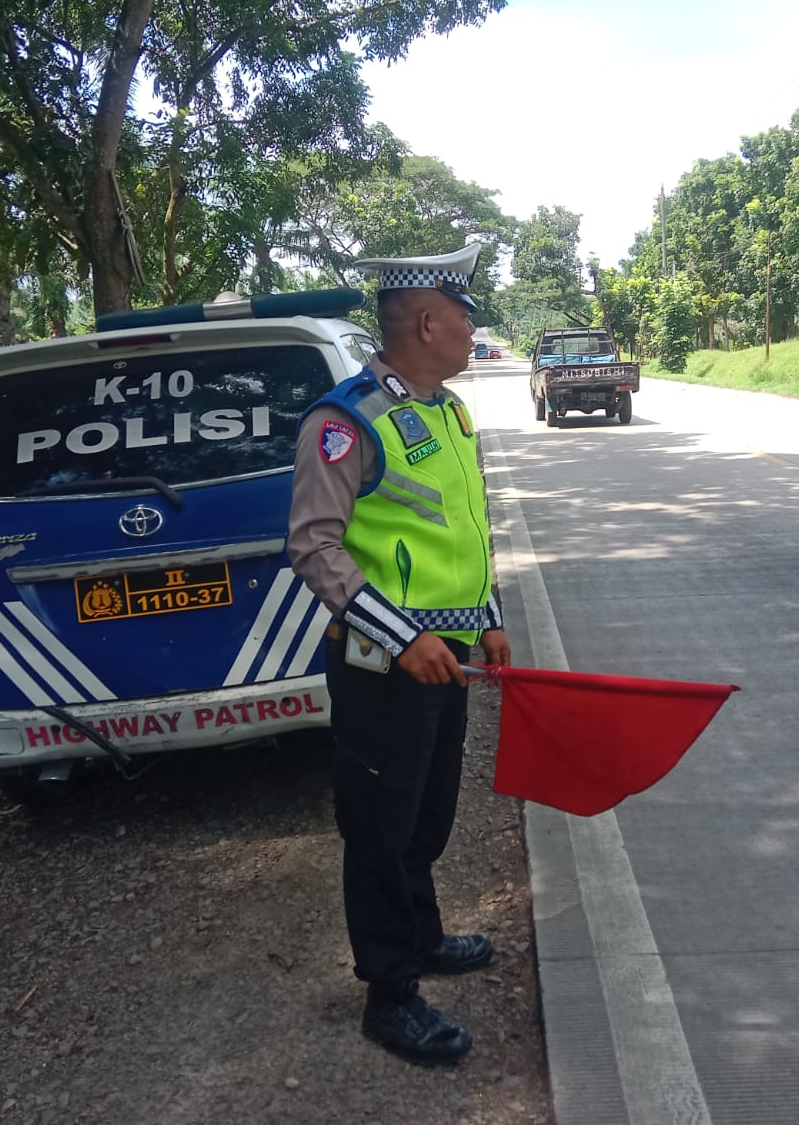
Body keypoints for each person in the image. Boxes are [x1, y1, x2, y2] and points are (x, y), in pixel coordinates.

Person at [287, 242, 513, 1065]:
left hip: (447, 657)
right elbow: (315, 547)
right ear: (427, 321)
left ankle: (421, 936)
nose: (470, 331)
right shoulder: (347, 420)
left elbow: (460, 530)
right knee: (378, 829)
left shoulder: (448, 411)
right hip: (385, 668)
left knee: (426, 814)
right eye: (463, 318)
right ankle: (389, 993)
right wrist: (404, 634)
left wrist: (485, 613)